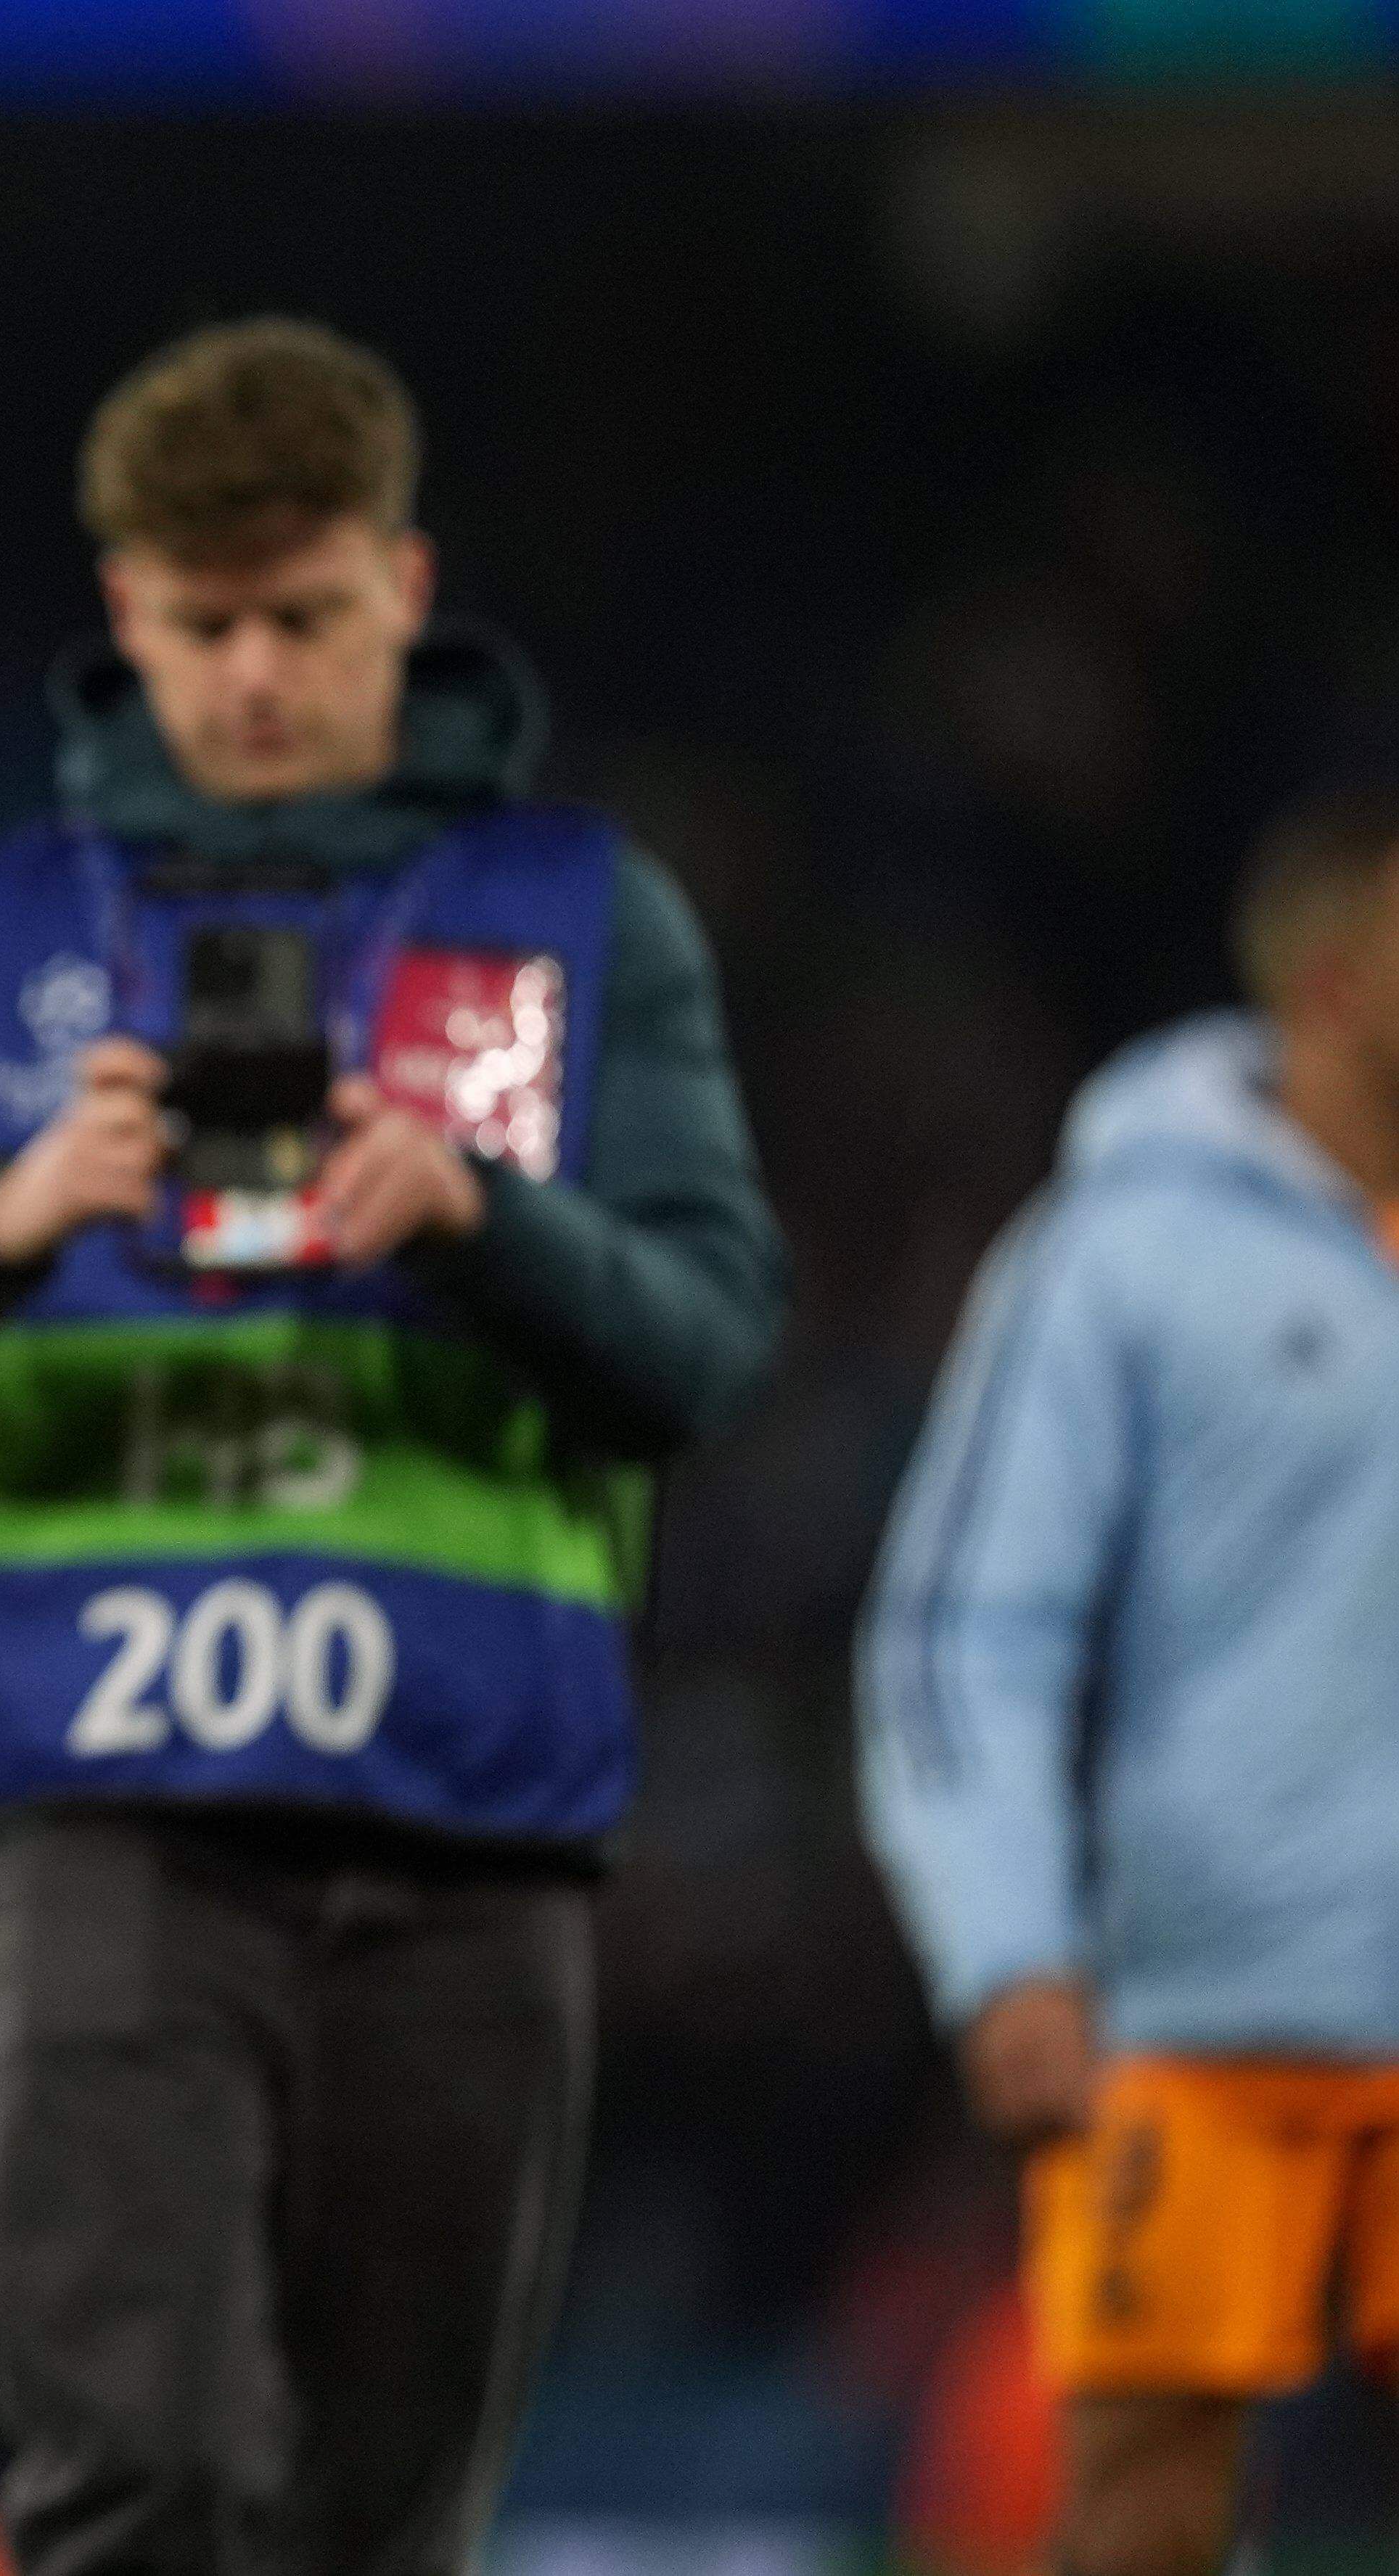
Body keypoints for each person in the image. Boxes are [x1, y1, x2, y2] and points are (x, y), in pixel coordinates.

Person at [0, 319, 784, 2576]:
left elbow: (702, 1349)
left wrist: (484, 1221)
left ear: (406, 580)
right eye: (204, 626)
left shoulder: (580, 921)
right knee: (145, 2485)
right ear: (123, 613)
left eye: (304, 616)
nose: (258, 676)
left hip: (466, 1824)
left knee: (385, 2528)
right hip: (95, 1810)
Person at [861, 789, 1399, 2576]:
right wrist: (1007, 1946)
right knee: (1147, 2507)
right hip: (1200, 1994)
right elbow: (969, 1633)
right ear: (1333, 975)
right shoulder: (1126, 1251)